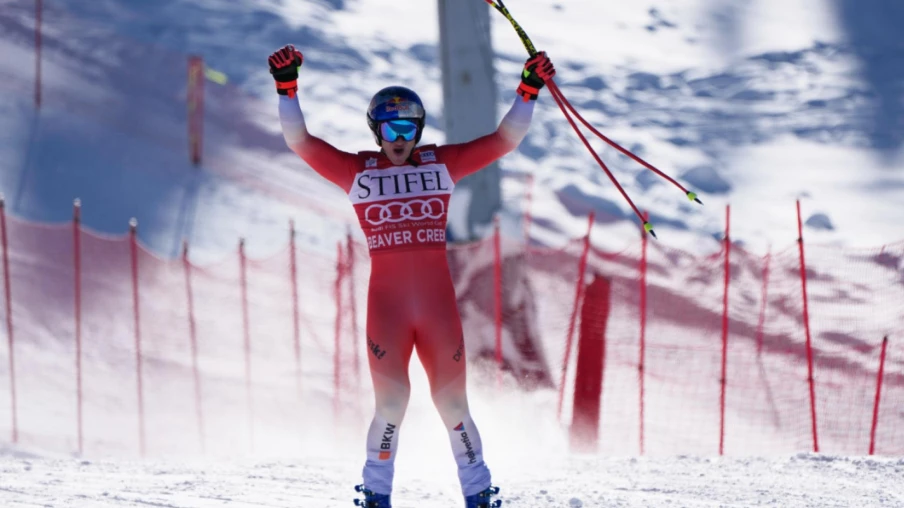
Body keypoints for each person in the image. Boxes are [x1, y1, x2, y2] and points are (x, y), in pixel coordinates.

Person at [268, 44, 555, 508]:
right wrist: (287, 89)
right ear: (376, 132)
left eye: (407, 127)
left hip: (438, 309)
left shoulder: (440, 164)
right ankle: (376, 492)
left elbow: (504, 141)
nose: (399, 138)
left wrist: (528, 90)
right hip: (389, 309)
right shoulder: (357, 171)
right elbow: (300, 141)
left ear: (418, 130)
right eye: (389, 128)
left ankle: (477, 490)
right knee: (391, 404)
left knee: (454, 406)